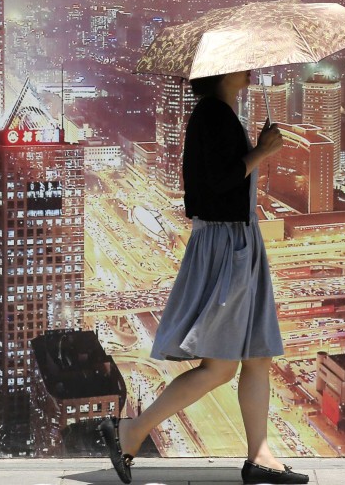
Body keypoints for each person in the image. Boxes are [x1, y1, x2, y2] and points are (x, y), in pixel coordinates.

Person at [100, 70, 309, 485]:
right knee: (221, 367)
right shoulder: (211, 115)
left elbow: (224, 179)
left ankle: (260, 456)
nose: (249, 69)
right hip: (227, 245)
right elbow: (218, 182)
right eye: (242, 64)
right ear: (222, 72)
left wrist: (256, 149)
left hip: (238, 241)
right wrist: (262, 152)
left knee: (257, 357)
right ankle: (133, 430)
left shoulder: (221, 114)